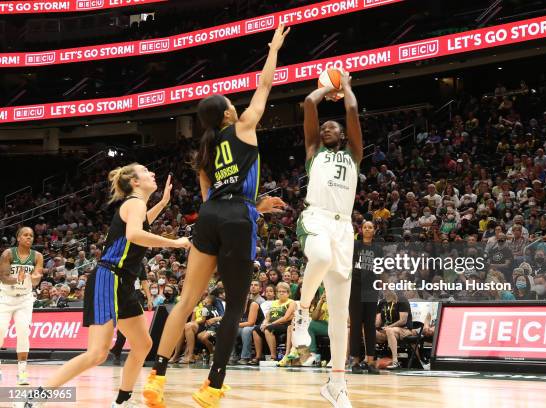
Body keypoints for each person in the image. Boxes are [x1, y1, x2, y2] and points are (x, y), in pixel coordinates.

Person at [143, 24, 290, 408]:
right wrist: (273, 49)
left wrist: (254, 206)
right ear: (228, 111)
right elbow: (265, 86)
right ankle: (212, 386)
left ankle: (157, 376)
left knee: (187, 299)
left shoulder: (204, 152)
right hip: (236, 220)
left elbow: (212, 199)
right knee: (235, 305)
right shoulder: (243, 128)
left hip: (209, 218)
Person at [22, 165, 190, 408]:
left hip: (122, 282)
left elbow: (139, 225)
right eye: (145, 171)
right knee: (97, 353)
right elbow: (134, 234)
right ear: (134, 181)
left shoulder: (137, 206)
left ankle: (121, 402)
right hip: (107, 278)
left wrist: (163, 203)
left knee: (143, 344)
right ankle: (36, 398)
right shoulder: (134, 203)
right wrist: (175, 242)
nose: (152, 174)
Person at [292, 69, 363, 408]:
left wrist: (346, 87)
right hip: (316, 217)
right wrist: (327, 87)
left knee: (338, 312)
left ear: (343, 135)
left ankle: (337, 383)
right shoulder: (313, 153)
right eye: (323, 128)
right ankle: (301, 312)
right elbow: (307, 102)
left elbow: (351, 112)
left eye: (331, 127)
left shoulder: (354, 155)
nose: (325, 129)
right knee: (318, 257)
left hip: (344, 229)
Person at [0, 227, 43, 385]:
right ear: (18, 238)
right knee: (0, 331)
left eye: (31, 236)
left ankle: (22, 372)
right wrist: (17, 279)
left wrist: (34, 278)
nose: (29, 238)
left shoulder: (37, 256)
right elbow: (3, 278)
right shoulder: (8, 254)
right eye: (25, 235)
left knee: (24, 332)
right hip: (5, 298)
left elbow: (36, 280)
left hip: (24, 299)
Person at [349, 221, 380, 375]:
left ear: (374, 230)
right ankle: (354, 361)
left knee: (370, 325)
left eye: (370, 227)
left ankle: (370, 361)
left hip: (371, 288)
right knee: (355, 325)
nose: (368, 229)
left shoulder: (378, 248)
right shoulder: (354, 245)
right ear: (361, 230)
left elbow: (382, 269)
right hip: (355, 288)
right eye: (365, 227)